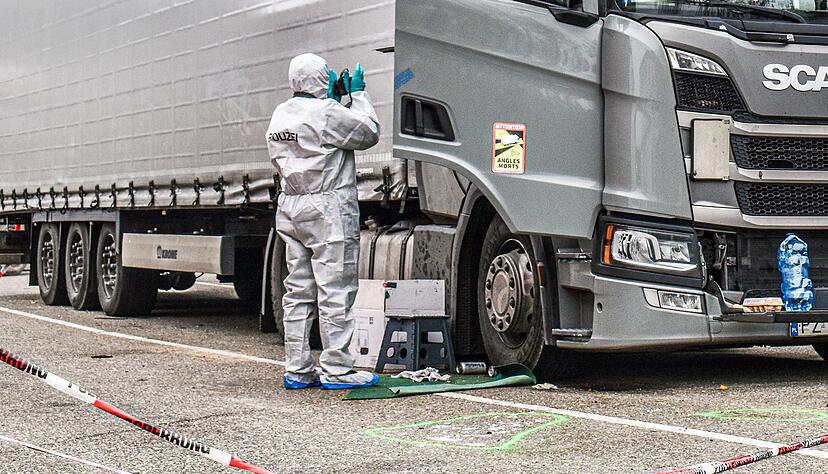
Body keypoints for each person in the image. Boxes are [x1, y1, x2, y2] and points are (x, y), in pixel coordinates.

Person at [266, 53, 381, 390]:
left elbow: (314, 135)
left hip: (291, 205)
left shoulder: (280, 115)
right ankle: (338, 368)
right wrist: (357, 94)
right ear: (319, 78)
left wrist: (332, 99)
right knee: (335, 288)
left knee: (298, 291)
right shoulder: (328, 113)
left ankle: (297, 368)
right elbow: (368, 132)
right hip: (327, 207)